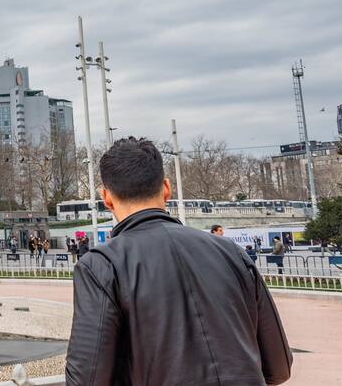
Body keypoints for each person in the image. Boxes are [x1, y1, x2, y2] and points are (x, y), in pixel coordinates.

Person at [65, 137, 291, 385]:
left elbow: (87, 379)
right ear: (166, 188)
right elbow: (278, 368)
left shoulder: (101, 265)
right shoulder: (232, 253)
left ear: (106, 198)